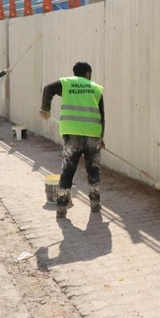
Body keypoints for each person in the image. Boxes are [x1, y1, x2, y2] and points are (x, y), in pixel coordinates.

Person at [39, 62, 105, 218]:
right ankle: (95, 204)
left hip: (72, 136)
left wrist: (45, 109)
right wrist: (101, 137)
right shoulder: (96, 88)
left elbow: (48, 89)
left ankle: (61, 207)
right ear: (88, 73)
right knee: (93, 170)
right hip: (93, 135)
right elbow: (102, 116)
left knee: (68, 170)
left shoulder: (66, 84)